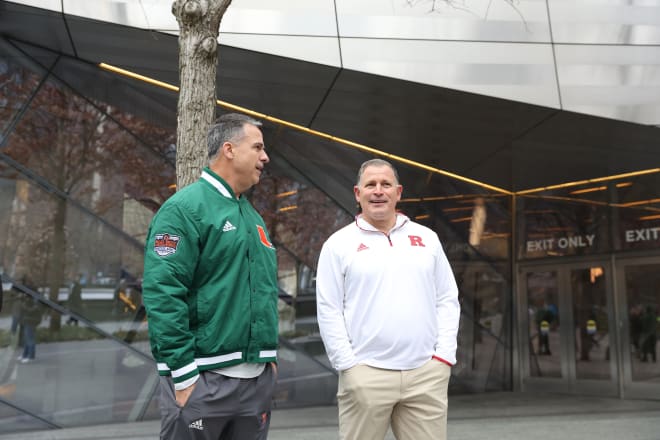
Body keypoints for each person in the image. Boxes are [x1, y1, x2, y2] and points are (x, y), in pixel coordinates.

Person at [143, 113, 279, 440]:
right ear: (229, 149)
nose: (265, 157)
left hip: (254, 383)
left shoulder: (252, 216)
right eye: (257, 147)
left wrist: (268, 360)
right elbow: (162, 293)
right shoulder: (183, 210)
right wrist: (184, 374)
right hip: (203, 381)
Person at [316, 158, 461, 440]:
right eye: (370, 185)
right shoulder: (337, 245)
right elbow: (328, 309)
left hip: (425, 375)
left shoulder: (427, 238)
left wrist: (443, 357)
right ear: (358, 194)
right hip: (366, 375)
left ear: (399, 192)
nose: (378, 191)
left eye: (386, 184)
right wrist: (348, 366)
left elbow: (447, 298)